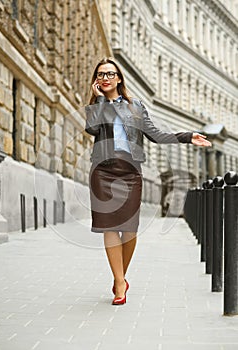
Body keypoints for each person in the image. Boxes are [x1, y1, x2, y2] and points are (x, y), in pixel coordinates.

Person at [85, 57, 211, 305]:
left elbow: (156, 135)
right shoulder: (96, 107)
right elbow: (91, 128)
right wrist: (99, 99)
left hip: (130, 172)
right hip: (103, 171)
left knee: (129, 228)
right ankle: (120, 283)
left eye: (110, 74)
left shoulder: (136, 106)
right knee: (109, 226)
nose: (106, 78)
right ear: (96, 81)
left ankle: (121, 276)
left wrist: (186, 136)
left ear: (119, 78)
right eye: (100, 75)